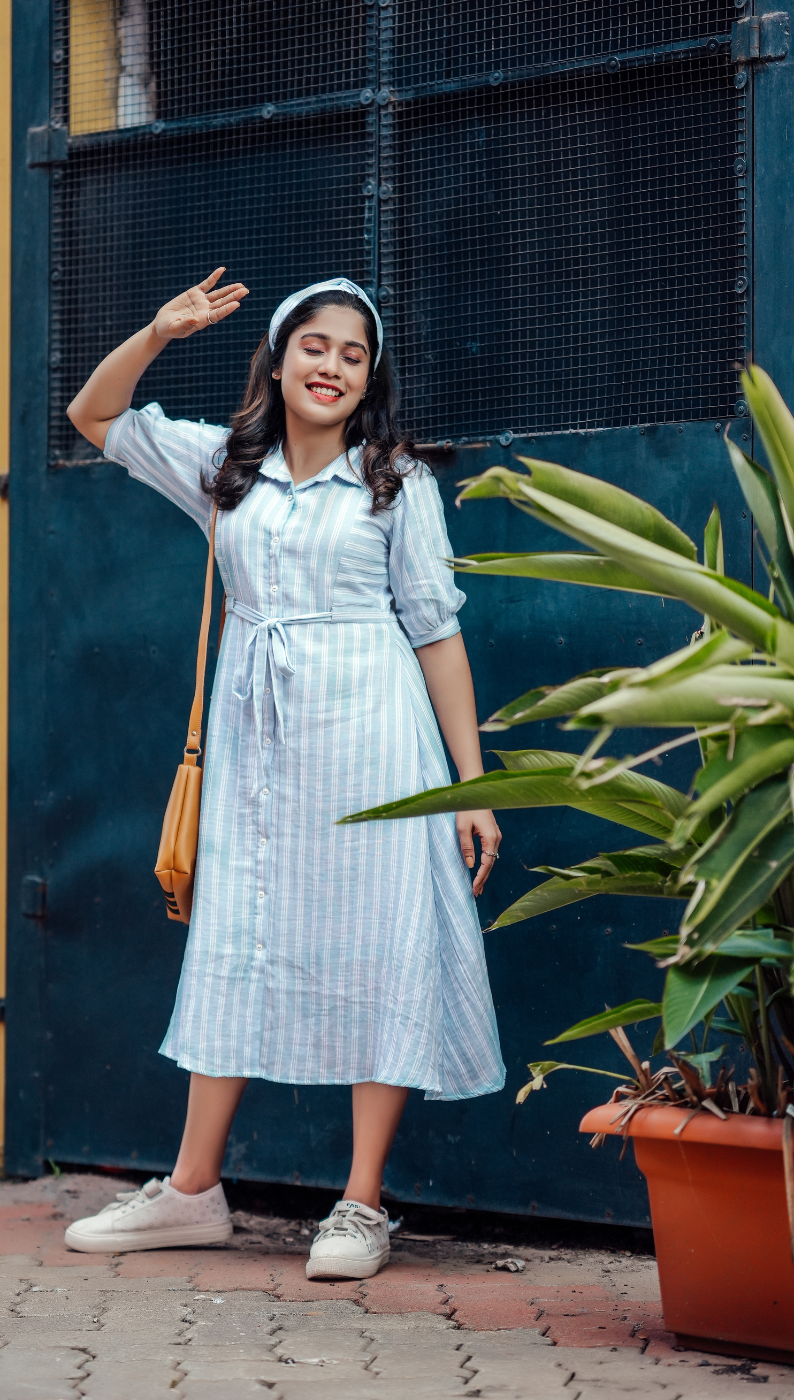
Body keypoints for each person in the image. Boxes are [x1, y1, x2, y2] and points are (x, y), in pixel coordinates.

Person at [63, 270, 505, 1279]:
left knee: (379, 941)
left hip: (376, 741)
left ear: (369, 377)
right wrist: (157, 329)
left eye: (354, 354)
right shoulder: (225, 466)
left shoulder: (397, 482)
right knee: (238, 932)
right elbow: (95, 413)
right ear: (278, 354)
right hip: (258, 746)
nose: (334, 366)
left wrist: (467, 785)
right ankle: (189, 1191)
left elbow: (437, 635)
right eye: (316, 345)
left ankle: (359, 1202)